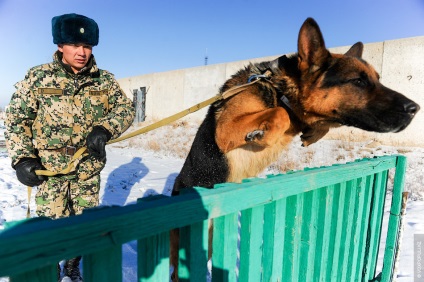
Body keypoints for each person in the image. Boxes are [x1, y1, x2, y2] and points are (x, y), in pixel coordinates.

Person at [5, 13, 135, 281]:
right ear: (60, 46)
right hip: (50, 171)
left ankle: (72, 266)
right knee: (51, 227)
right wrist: (22, 159)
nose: (82, 52)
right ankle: (51, 269)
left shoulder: (105, 81)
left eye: (87, 46)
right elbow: (17, 119)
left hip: (87, 170)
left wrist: (105, 128)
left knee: (85, 225)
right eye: (75, 45)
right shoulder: (38, 77)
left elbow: (126, 108)